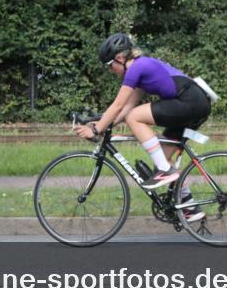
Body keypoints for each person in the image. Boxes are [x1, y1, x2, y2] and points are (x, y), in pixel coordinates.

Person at [74, 33, 212, 221]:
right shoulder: (140, 70)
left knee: (135, 117)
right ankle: (190, 208)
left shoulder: (136, 68)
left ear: (120, 58)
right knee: (162, 156)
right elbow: (125, 108)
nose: (110, 70)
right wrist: (103, 125)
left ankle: (165, 170)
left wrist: (96, 130)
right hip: (193, 103)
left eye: (110, 65)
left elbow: (118, 106)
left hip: (189, 101)